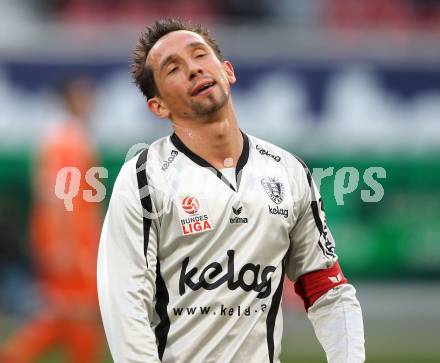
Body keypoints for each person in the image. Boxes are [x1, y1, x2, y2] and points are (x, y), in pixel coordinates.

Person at [97, 18, 365, 363]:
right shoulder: (144, 178)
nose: (193, 69)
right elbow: (126, 303)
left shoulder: (288, 172)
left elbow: (327, 289)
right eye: (173, 68)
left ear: (227, 71)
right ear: (158, 106)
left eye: (199, 55)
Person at [0, 78, 104, 363]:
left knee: (67, 312)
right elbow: (59, 197)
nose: (90, 102)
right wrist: (63, 243)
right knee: (77, 311)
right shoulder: (65, 140)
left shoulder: (68, 137)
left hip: (72, 238)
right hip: (70, 239)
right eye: (83, 95)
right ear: (68, 99)